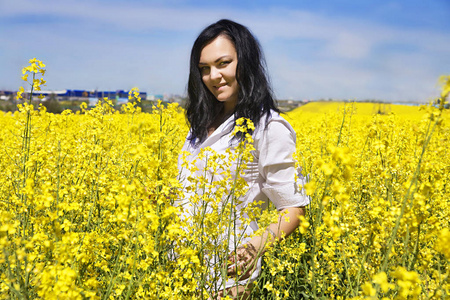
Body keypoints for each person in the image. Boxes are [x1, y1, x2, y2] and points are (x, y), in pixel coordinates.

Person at [177, 19, 310, 299]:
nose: (213, 76)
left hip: (227, 275)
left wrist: (254, 248)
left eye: (223, 63)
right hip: (180, 269)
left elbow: (293, 209)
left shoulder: (269, 127)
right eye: (204, 69)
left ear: (246, 62)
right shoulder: (199, 126)